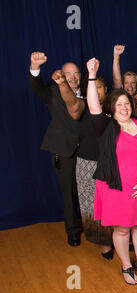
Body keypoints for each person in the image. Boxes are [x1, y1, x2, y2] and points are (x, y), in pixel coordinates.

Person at [86, 58, 137, 285]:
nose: (123, 107)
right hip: (116, 188)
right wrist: (91, 75)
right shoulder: (107, 127)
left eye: (126, 103)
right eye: (118, 104)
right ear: (111, 108)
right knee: (121, 230)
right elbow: (92, 106)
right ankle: (126, 266)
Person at [53, 70, 115, 259]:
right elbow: (71, 102)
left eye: (99, 87)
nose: (96, 91)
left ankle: (120, 237)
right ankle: (103, 243)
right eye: (92, 87)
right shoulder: (82, 107)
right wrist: (63, 83)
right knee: (91, 204)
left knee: (114, 203)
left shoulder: (115, 109)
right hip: (88, 163)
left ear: (106, 90)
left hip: (112, 163)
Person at [28, 52, 82, 247]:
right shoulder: (52, 91)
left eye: (76, 73)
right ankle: (72, 231)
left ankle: (94, 226)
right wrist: (35, 67)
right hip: (64, 150)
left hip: (87, 151)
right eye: (69, 74)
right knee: (68, 193)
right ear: (62, 76)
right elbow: (37, 88)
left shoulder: (90, 90)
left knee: (89, 190)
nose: (73, 77)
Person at [112, 45, 137, 116]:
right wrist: (116, 57)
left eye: (133, 83)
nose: (130, 86)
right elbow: (116, 79)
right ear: (122, 85)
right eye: (126, 83)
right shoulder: (118, 99)